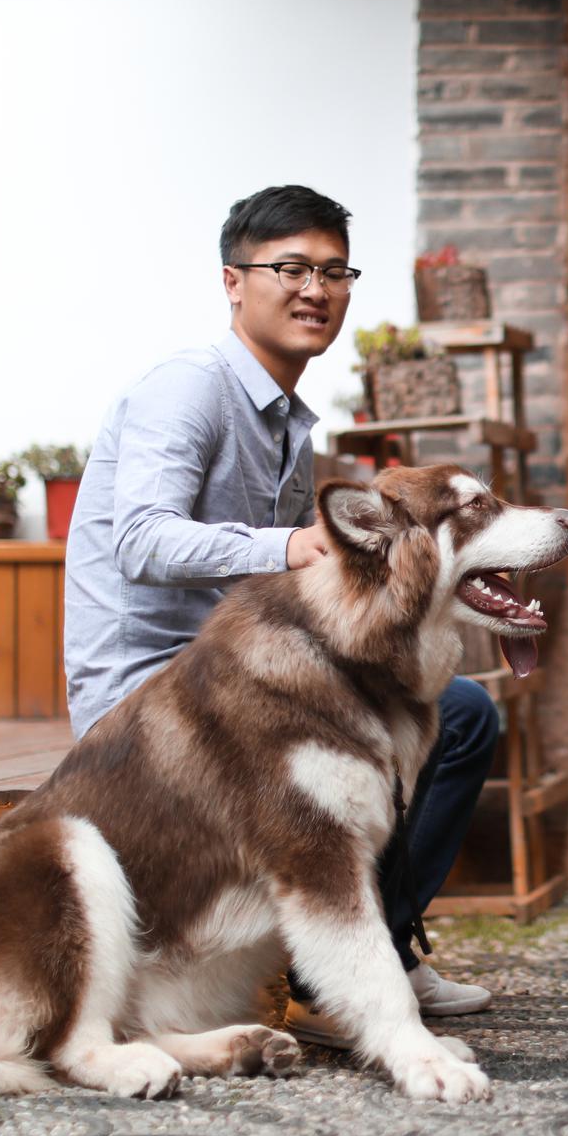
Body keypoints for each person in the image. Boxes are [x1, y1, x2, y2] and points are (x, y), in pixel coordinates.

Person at [62, 184, 498, 1045]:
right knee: (364, 733)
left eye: (335, 271)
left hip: (251, 674)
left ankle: (366, 955)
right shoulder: (187, 390)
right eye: (290, 268)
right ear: (234, 281)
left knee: (458, 710)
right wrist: (286, 545)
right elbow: (140, 540)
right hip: (148, 691)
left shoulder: (288, 423)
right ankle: (333, 985)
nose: (316, 289)